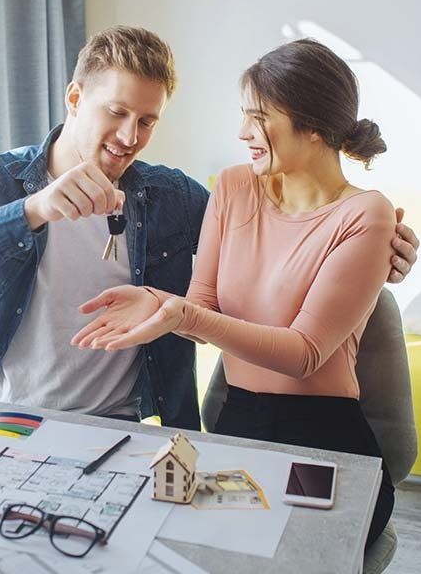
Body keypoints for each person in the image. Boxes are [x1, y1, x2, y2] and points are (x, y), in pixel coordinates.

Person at [0, 26, 419, 430]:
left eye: (148, 121)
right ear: (75, 96)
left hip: (123, 425)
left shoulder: (171, 197)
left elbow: (279, 238)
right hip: (2, 415)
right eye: (117, 112)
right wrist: (31, 210)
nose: (131, 137)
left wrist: (379, 249)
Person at [73, 39, 402, 546]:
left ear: (312, 126)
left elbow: (304, 354)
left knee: (274, 552)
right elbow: (203, 307)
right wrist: (161, 304)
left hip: (324, 441)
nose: (243, 132)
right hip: (238, 425)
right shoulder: (232, 187)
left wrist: (177, 313)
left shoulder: (366, 214)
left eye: (259, 117)